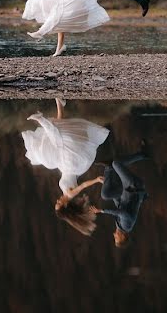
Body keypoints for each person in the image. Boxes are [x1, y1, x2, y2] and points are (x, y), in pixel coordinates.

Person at [21, 98, 110, 236]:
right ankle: (41, 120)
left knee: (60, 135)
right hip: (70, 163)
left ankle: (60, 105)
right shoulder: (70, 194)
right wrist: (96, 180)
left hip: (67, 165)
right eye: (58, 203)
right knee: (59, 140)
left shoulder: (66, 193)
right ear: (65, 205)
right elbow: (83, 186)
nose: (57, 200)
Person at [95, 144, 149, 247]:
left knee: (105, 194)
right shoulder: (127, 226)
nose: (114, 235)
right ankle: (142, 154)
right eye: (116, 238)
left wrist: (109, 187)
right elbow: (122, 212)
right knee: (116, 163)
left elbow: (119, 205)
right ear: (123, 237)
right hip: (134, 187)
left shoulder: (119, 225)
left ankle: (108, 167)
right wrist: (102, 211)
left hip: (125, 191)